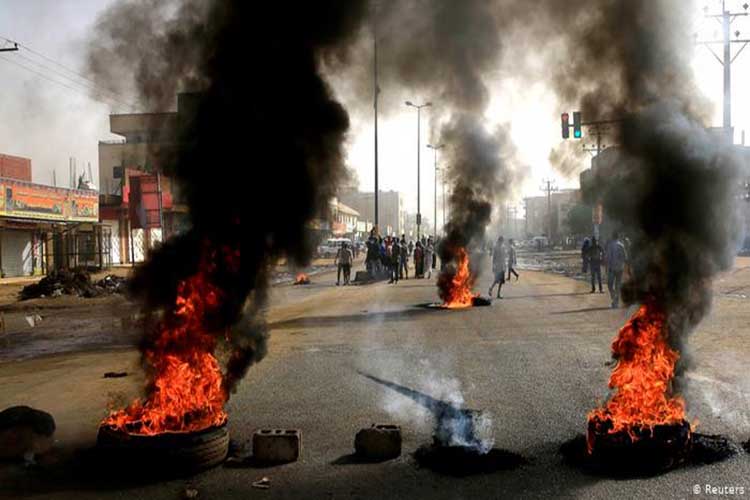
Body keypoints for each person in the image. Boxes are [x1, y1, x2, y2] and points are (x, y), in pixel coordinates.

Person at [606, 232, 628, 308]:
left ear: (612, 237)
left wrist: (607, 268)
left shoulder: (610, 245)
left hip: (612, 268)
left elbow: (608, 258)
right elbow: (625, 257)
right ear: (618, 237)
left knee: (609, 284)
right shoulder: (622, 245)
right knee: (618, 285)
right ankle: (616, 303)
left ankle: (614, 296)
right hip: (620, 268)